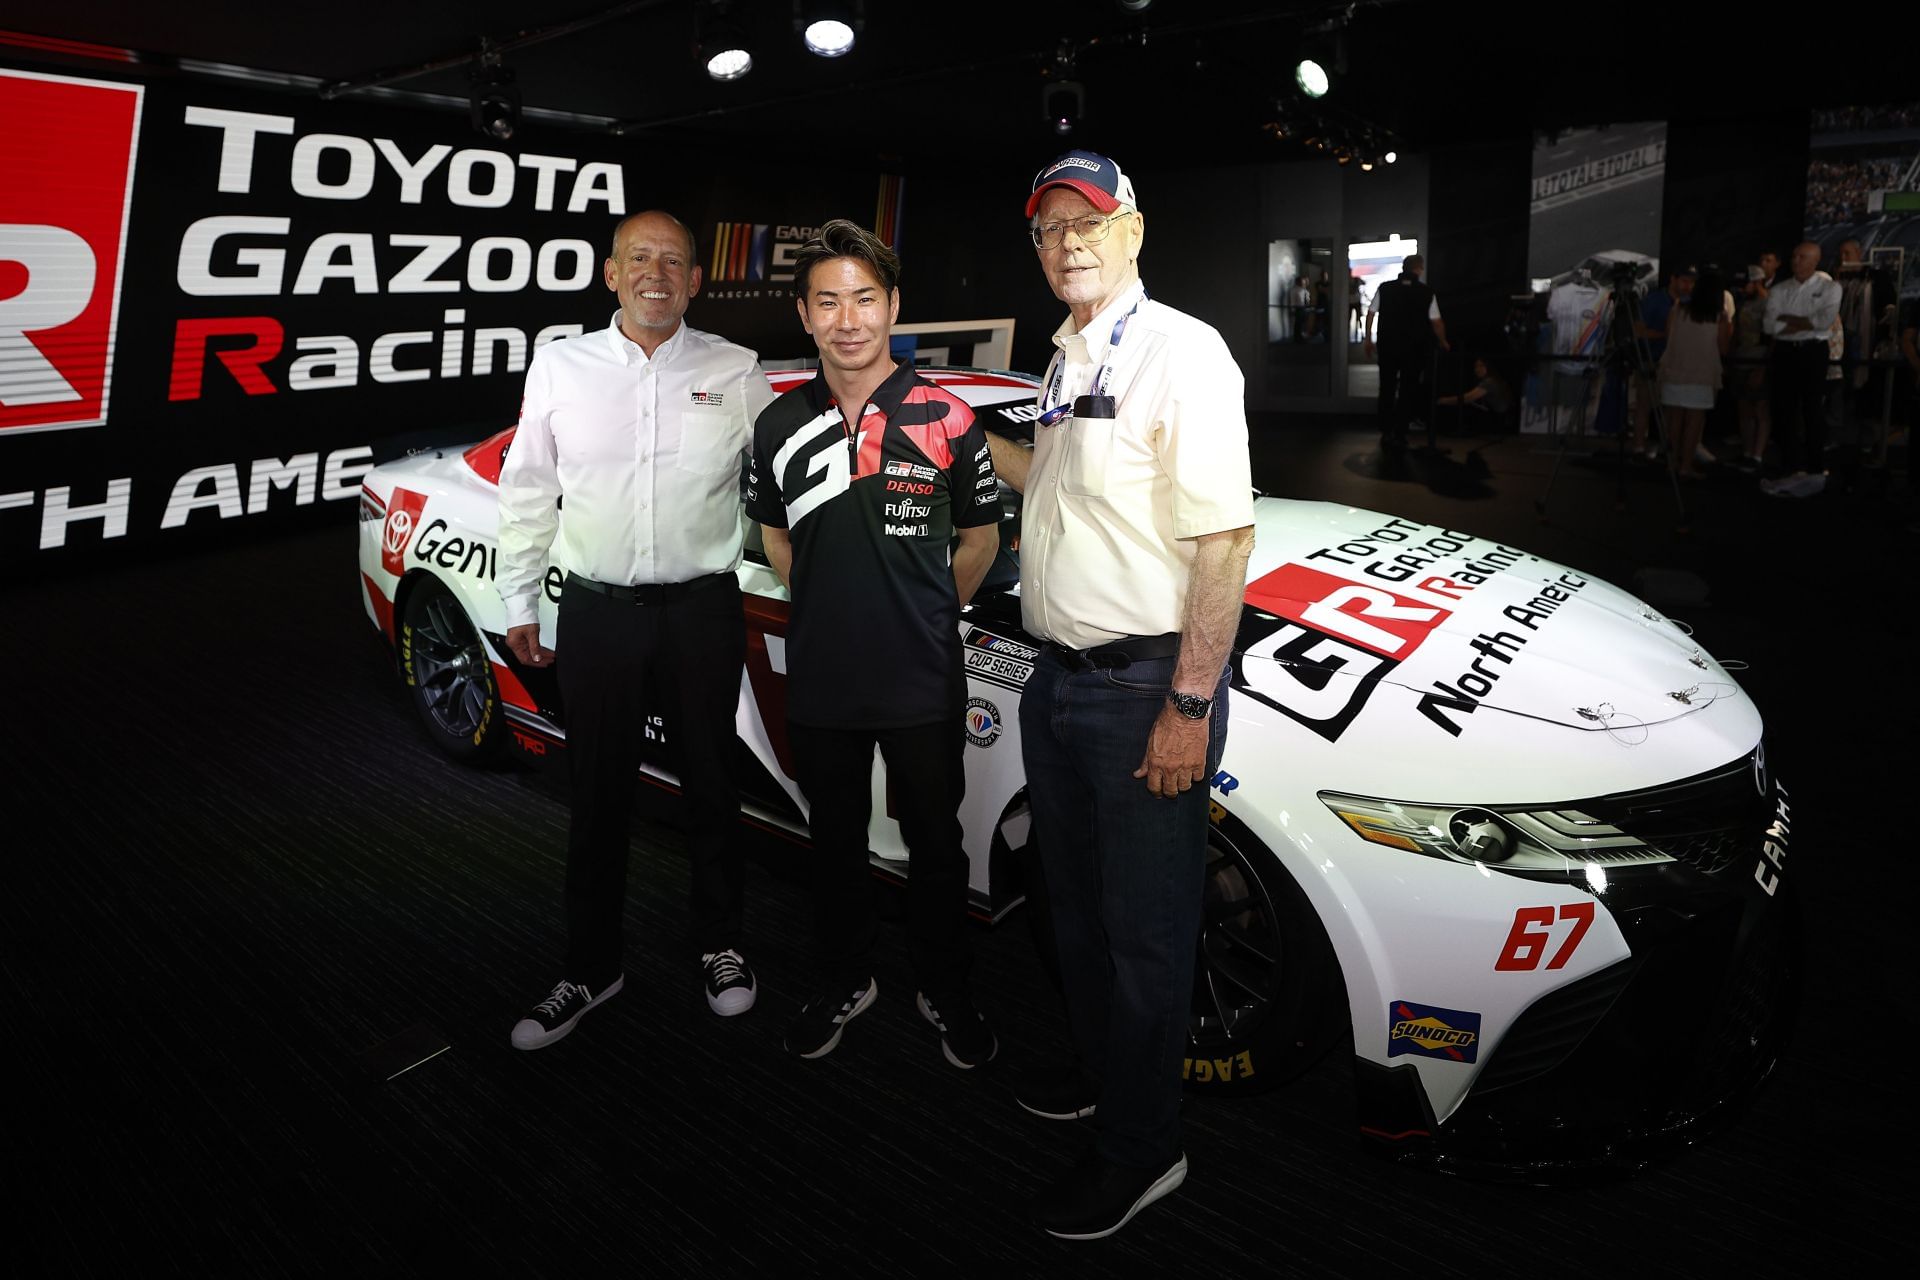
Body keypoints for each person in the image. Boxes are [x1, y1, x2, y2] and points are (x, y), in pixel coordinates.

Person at [984, 149, 1256, 1240]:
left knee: (1146, 934)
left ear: (1133, 230)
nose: (1067, 244)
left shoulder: (1182, 353)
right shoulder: (1063, 356)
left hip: (1146, 683)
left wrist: (1187, 706)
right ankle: (1109, 1079)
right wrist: (963, 444)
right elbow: (1057, 490)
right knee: (1079, 911)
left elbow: (1225, 540)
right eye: (1048, 229)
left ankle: (1145, 1151)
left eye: (1087, 223)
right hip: (1059, 679)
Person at [497, 210, 776, 1049]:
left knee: (713, 789)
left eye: (676, 262)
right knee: (597, 793)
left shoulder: (737, 370)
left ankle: (723, 945)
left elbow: (788, 478)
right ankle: (591, 966)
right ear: (612, 274)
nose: (658, 273)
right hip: (597, 613)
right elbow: (526, 487)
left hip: (703, 612)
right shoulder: (561, 366)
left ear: (696, 281)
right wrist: (519, 602)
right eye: (640, 258)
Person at [745, 220, 1002, 1066]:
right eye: (829, 301)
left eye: (864, 298)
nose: (848, 318)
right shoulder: (779, 422)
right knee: (835, 839)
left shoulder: (947, 417)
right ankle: (844, 976)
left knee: (936, 844)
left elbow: (980, 540)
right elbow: (774, 538)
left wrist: (925, 613)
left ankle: (945, 984)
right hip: (823, 673)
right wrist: (828, 603)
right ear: (805, 314)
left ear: (892, 306)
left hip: (923, 672)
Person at [1761, 240, 1841, 497]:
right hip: (1785, 353)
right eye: (1795, 256)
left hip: (1813, 353)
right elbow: (1770, 326)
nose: (1797, 261)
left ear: (1816, 260)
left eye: (1803, 256)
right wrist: (1806, 321)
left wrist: (1789, 319)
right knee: (1783, 410)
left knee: (1812, 409)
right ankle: (1790, 466)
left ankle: (1814, 468)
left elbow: (1824, 322)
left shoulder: (1830, 288)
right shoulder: (1781, 289)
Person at [1364, 254, 1448, 450]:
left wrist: (1368, 339)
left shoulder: (1385, 288)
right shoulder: (1426, 292)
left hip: (1388, 346)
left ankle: (1386, 431)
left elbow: (1370, 313)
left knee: (1386, 387)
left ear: (1404, 268)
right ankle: (1401, 432)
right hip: (1414, 349)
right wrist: (1444, 341)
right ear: (1419, 269)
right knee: (1408, 390)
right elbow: (1436, 322)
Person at [1658, 267, 1732, 479]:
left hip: (1675, 369)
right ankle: (1686, 465)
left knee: (1674, 420)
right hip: (1702, 373)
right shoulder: (1719, 316)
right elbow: (1724, 347)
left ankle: (1671, 463)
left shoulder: (1679, 308)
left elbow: (1668, 335)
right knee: (1693, 423)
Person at [1629, 265, 1693, 461]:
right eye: (1684, 280)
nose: (1688, 286)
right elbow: (1638, 331)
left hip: (1677, 363)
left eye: (1691, 282)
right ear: (1673, 279)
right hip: (1652, 360)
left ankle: (1667, 448)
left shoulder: (1690, 303)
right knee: (1644, 405)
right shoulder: (1653, 301)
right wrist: (1665, 335)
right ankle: (1639, 448)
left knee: (1672, 408)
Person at [1730, 262, 1772, 471]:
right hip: (1742, 359)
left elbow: (1772, 339)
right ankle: (1748, 451)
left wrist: (1762, 368)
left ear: (1757, 282)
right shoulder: (1744, 303)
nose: (1740, 288)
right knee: (1744, 408)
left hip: (1758, 360)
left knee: (1760, 409)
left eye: (1745, 284)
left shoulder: (1768, 303)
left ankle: (1757, 455)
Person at [1434, 355, 1514, 430]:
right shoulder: (1493, 379)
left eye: (1481, 365)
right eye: (1476, 366)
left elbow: (1467, 398)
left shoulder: (1489, 382)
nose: (1477, 369)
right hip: (1500, 416)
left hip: (1499, 420)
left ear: (1488, 366)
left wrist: (1443, 400)